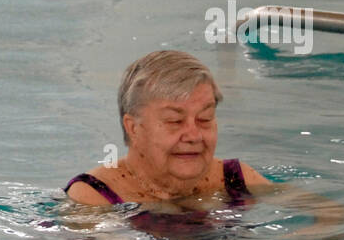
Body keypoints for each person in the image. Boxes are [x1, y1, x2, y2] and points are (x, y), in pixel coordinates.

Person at [65, 50, 270, 209]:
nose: (194, 135)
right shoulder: (94, 197)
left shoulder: (235, 180)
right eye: (174, 121)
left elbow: (300, 215)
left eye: (204, 119)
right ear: (133, 128)